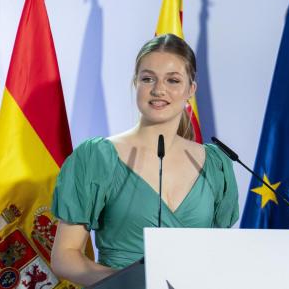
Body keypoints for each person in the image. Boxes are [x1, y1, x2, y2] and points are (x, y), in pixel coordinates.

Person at [50, 33, 239, 286]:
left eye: (173, 80)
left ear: (191, 90)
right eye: (148, 78)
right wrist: (132, 284)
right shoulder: (97, 157)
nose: (159, 89)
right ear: (135, 83)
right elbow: (64, 257)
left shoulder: (217, 165)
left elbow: (218, 256)